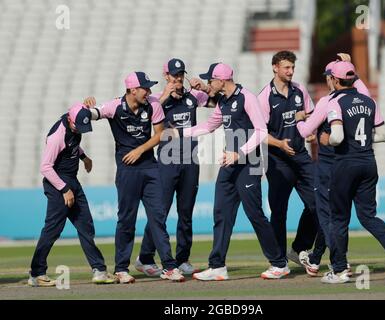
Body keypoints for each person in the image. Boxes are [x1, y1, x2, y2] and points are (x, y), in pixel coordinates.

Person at [168, 63, 289, 281]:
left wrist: (238, 153)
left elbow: (261, 131)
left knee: (255, 214)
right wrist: (179, 133)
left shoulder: (247, 97)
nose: (209, 84)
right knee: (221, 213)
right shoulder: (223, 101)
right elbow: (208, 126)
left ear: (221, 80)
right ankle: (217, 266)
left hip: (249, 162)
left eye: (211, 80)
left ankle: (280, 264)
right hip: (230, 164)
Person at [83, 72, 184, 283]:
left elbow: (160, 134)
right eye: (145, 88)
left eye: (149, 88)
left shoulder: (153, 104)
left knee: (158, 218)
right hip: (127, 171)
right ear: (132, 90)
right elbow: (90, 114)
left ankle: (169, 266)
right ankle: (121, 268)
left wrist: (140, 150)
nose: (148, 92)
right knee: (127, 220)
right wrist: (87, 106)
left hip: (150, 168)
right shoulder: (114, 106)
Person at [321, 61, 385, 284]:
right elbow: (383, 135)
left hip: (345, 164)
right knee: (368, 216)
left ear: (335, 80)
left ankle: (340, 270)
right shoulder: (370, 102)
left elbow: (338, 137)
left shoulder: (335, 102)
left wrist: (326, 139)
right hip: (369, 163)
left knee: (339, 219)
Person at [136, 58, 212, 276]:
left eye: (180, 74)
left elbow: (219, 103)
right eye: (174, 74)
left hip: (191, 160)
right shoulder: (155, 100)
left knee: (186, 212)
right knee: (160, 212)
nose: (178, 78)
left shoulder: (192, 97)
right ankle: (145, 257)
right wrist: (164, 96)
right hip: (167, 162)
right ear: (166, 76)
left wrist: (205, 87)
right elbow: (144, 117)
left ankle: (182, 259)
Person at [295, 53, 369, 276]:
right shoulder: (356, 100)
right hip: (349, 164)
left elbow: (306, 131)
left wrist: (300, 120)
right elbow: (365, 95)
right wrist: (353, 70)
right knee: (336, 217)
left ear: (331, 79)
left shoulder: (328, 101)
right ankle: (317, 259)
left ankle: (339, 261)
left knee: (328, 217)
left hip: (328, 166)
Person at [29, 103, 115, 287]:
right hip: (58, 184)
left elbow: (73, 145)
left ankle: (99, 270)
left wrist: (84, 157)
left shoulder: (75, 121)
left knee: (86, 226)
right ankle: (36, 274)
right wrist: (64, 189)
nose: (80, 130)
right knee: (52, 229)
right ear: (70, 119)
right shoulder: (57, 136)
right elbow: (45, 167)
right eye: (78, 126)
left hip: (72, 181)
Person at [257, 50, 319, 265]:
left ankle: (299, 247)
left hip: (301, 157)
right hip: (278, 161)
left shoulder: (300, 90)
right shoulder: (264, 97)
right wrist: (280, 144)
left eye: (293, 67)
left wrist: (310, 132)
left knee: (318, 203)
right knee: (279, 212)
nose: (291, 71)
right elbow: (259, 133)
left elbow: (310, 117)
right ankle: (278, 261)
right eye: (287, 67)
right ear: (275, 67)